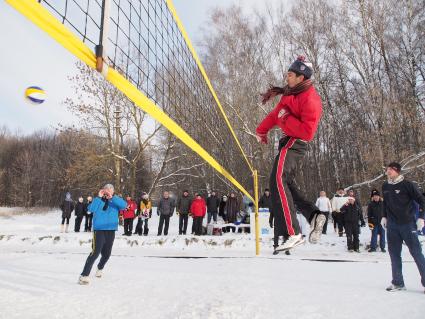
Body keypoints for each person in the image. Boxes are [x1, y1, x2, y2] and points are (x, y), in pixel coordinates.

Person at [256, 55, 325, 251]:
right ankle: (313, 214)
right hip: (289, 141)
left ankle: (293, 232)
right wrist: (261, 131)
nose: (286, 78)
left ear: (301, 78)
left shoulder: (311, 99)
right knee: (282, 183)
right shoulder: (289, 93)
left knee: (278, 179)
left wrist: (284, 118)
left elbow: (307, 132)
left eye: (290, 75)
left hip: (297, 142)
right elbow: (275, 113)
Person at [381, 162, 425, 292]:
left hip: (408, 224)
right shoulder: (385, 186)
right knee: (394, 254)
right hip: (392, 226)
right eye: (387, 169)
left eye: (391, 169)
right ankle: (398, 282)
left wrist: (421, 217)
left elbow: (422, 200)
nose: (388, 171)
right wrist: (384, 216)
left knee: (416, 253)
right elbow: (385, 203)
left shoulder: (408, 185)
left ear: (397, 171)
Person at [79, 184, 127, 285]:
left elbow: (124, 205)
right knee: (95, 252)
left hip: (111, 229)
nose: (107, 191)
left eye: (110, 190)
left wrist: (112, 197)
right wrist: (99, 197)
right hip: (99, 229)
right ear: (103, 191)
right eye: (106, 190)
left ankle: (100, 268)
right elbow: (90, 209)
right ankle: (84, 275)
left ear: (113, 191)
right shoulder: (98, 200)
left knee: (107, 254)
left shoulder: (115, 200)